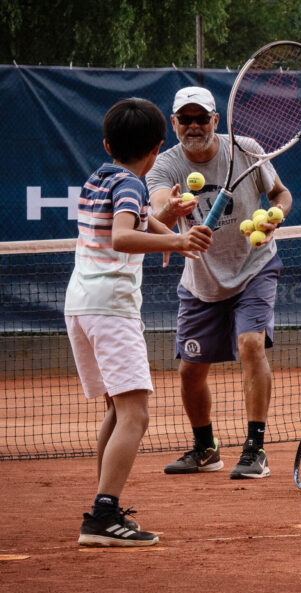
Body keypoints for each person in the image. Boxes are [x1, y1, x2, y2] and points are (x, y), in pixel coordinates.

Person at [67, 98, 213, 546]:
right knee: (136, 414)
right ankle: (104, 514)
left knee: (116, 408)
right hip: (112, 308)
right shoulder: (132, 184)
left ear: (108, 143)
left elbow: (145, 223)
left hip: (82, 306)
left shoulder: (101, 177)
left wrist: (176, 236)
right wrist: (176, 239)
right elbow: (124, 235)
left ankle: (101, 507)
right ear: (158, 148)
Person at [147, 86, 293, 480]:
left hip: (254, 265)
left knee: (251, 344)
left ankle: (255, 449)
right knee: (190, 371)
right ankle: (205, 449)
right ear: (174, 123)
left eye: (201, 118)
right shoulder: (165, 166)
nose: (194, 126)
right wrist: (171, 209)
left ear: (215, 120)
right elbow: (157, 211)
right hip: (201, 280)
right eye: (185, 119)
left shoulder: (244, 148)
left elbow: (280, 193)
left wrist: (275, 214)